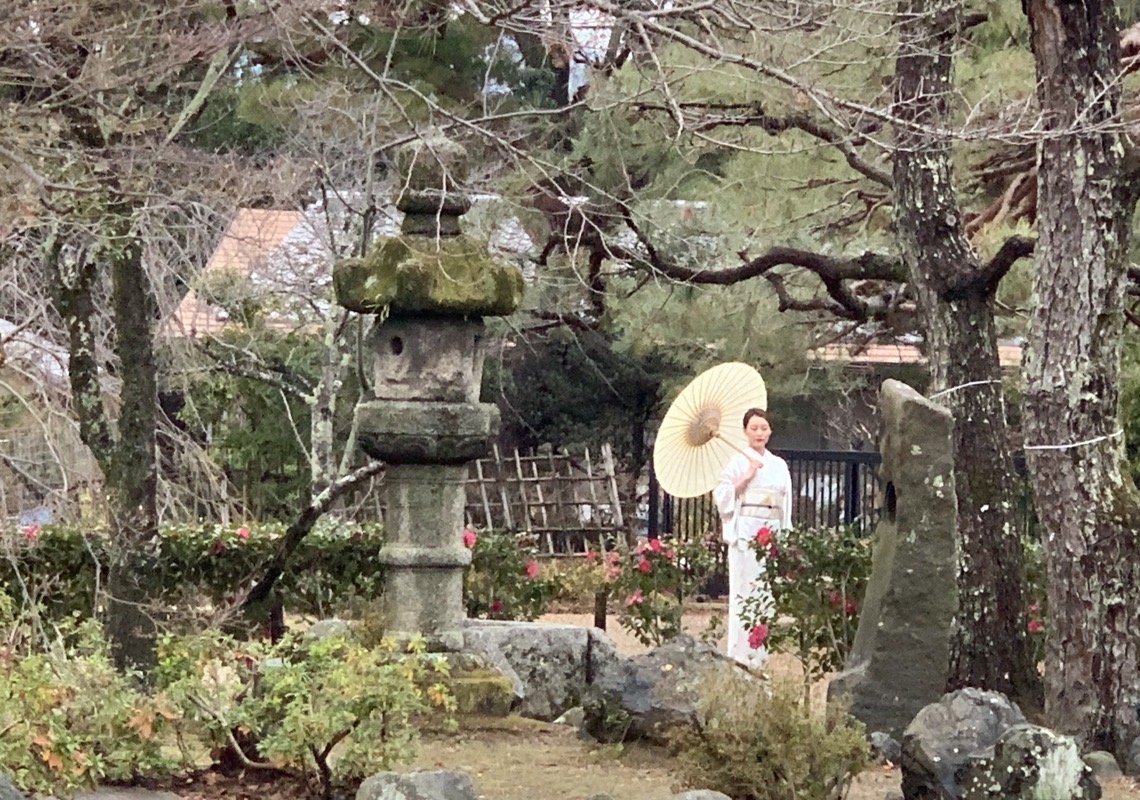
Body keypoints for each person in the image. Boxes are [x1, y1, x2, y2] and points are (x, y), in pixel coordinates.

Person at [712, 407, 793, 669]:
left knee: (765, 594)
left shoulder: (779, 465)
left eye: (763, 428)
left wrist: (783, 533)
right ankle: (738, 653)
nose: (759, 433)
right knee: (744, 591)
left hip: (770, 528)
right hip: (746, 529)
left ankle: (760, 654)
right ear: (745, 431)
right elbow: (722, 496)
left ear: (770, 431)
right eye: (754, 428)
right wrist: (746, 477)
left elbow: (785, 502)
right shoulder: (737, 462)